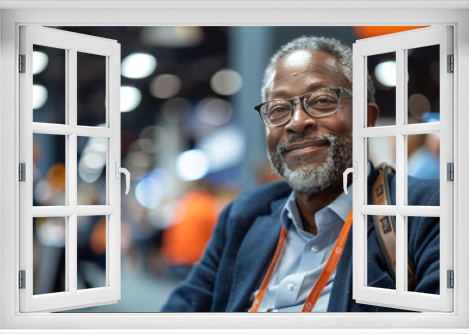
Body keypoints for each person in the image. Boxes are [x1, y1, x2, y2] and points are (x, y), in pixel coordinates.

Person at [161, 36, 440, 312]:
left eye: (321, 101)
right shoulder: (244, 217)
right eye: (279, 108)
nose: (296, 122)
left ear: (366, 119)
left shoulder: (424, 213)